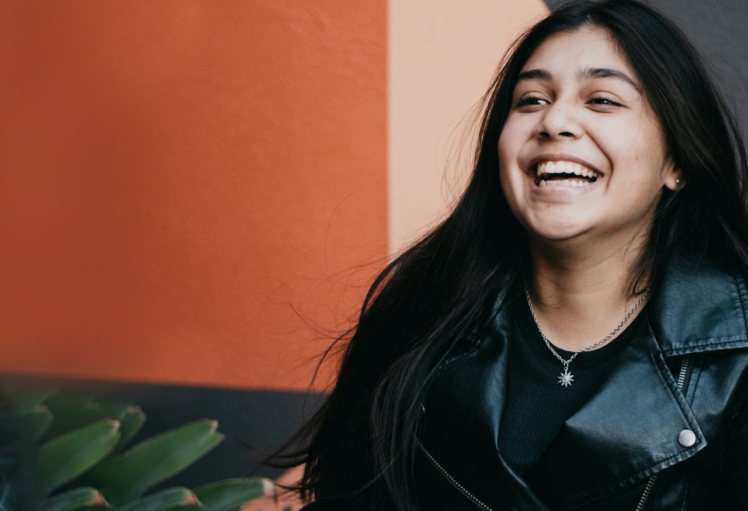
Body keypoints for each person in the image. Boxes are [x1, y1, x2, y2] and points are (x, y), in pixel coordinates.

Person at [267, 0, 748, 509]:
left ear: (676, 160)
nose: (555, 120)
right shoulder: (420, 312)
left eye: (602, 100)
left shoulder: (735, 355)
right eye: (531, 99)